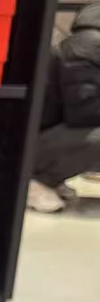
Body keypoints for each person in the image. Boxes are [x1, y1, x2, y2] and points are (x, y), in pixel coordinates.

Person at [28, 2, 100, 212]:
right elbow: (84, 113)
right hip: (31, 149)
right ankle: (35, 180)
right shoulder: (88, 46)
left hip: (41, 140)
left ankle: (46, 175)